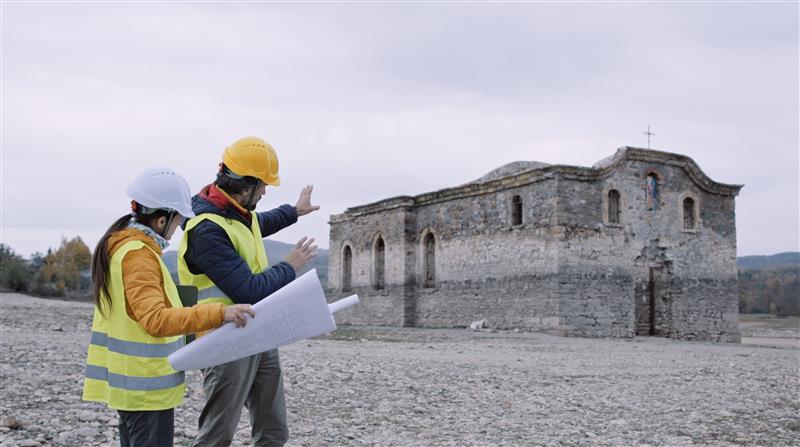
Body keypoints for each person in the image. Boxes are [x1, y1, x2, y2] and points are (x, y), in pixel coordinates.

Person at [82, 167, 255, 447]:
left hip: (135, 388)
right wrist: (219, 313)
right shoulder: (138, 256)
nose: (176, 230)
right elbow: (155, 319)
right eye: (177, 221)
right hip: (145, 389)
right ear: (162, 219)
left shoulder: (127, 249)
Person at [177, 136, 319, 447]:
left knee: (274, 431)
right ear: (246, 184)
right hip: (223, 338)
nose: (266, 191)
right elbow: (249, 290)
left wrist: (295, 211)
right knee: (217, 435)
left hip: (260, 331)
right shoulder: (206, 230)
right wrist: (291, 265)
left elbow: (260, 223)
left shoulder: (237, 213)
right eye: (263, 184)